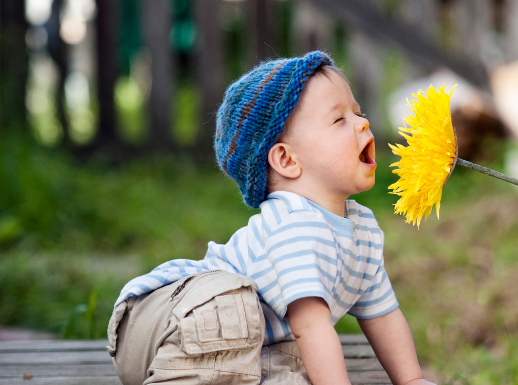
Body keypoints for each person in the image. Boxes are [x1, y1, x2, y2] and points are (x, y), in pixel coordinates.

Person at [106, 51, 435, 385]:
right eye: (339, 120)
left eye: (358, 113)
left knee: (290, 366)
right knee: (239, 309)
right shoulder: (293, 224)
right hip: (165, 323)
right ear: (287, 160)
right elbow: (311, 326)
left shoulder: (362, 228)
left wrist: (410, 379)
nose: (362, 123)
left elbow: (383, 314)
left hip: (245, 347)